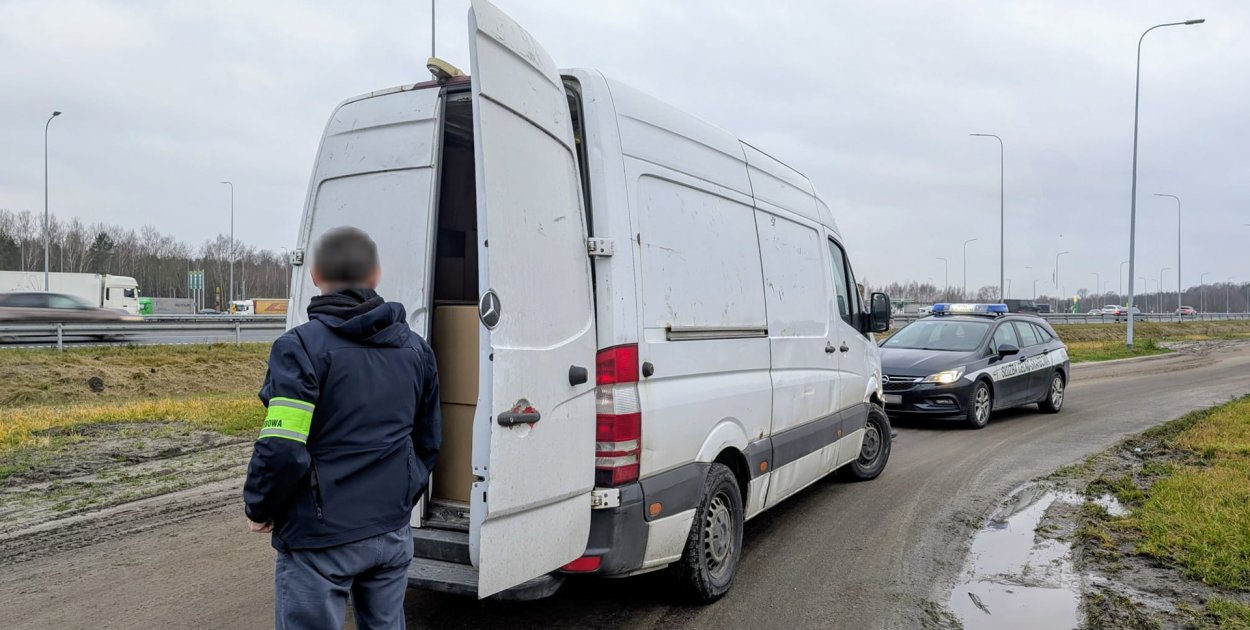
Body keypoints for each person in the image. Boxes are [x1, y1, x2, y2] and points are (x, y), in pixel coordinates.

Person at [243, 226, 441, 629]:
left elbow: (281, 446)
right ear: (375, 275)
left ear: (315, 275)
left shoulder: (300, 348)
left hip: (320, 538)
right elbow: (428, 440)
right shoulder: (416, 350)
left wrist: (260, 505)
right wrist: (401, 499)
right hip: (390, 531)